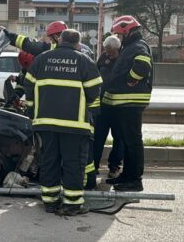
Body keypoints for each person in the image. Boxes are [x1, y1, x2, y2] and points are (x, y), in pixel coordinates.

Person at [24, 29, 102, 216]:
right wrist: (84, 105)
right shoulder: (84, 60)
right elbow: (95, 90)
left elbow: (28, 84)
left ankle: (50, 202)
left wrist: (33, 109)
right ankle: (72, 204)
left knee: (49, 160)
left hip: (46, 123)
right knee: (73, 163)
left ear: (59, 40)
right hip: (74, 124)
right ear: (78, 43)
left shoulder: (42, 59)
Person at [102, 16, 153, 192]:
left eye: (118, 34)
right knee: (127, 141)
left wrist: (132, 79)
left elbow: (142, 65)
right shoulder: (131, 46)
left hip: (131, 102)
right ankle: (127, 176)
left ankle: (135, 179)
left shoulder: (137, 46)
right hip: (126, 103)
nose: (117, 37)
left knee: (133, 142)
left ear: (127, 31)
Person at [92, 35, 125, 179]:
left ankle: (114, 166)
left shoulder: (123, 59)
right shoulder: (102, 58)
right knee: (98, 138)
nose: (107, 53)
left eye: (110, 50)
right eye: (106, 50)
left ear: (117, 49)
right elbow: (95, 74)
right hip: (103, 106)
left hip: (118, 108)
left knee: (119, 139)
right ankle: (93, 167)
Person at [2, 21, 95, 60]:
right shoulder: (85, 50)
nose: (51, 41)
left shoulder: (53, 48)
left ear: (56, 36)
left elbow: (30, 44)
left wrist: (9, 36)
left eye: (51, 38)